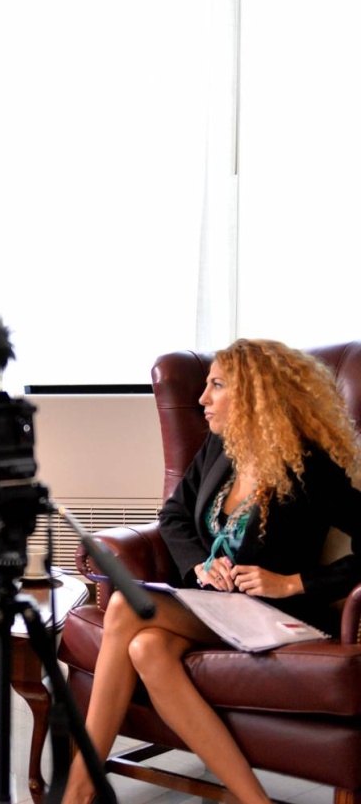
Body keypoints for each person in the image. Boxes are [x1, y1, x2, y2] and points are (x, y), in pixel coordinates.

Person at [63, 339, 361, 804]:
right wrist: (199, 563)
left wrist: (295, 582)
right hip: (214, 606)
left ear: (256, 396)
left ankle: (78, 793)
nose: (202, 398)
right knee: (146, 647)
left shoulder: (309, 465)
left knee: (125, 606)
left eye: (217, 386)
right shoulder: (220, 450)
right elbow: (174, 517)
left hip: (277, 614)